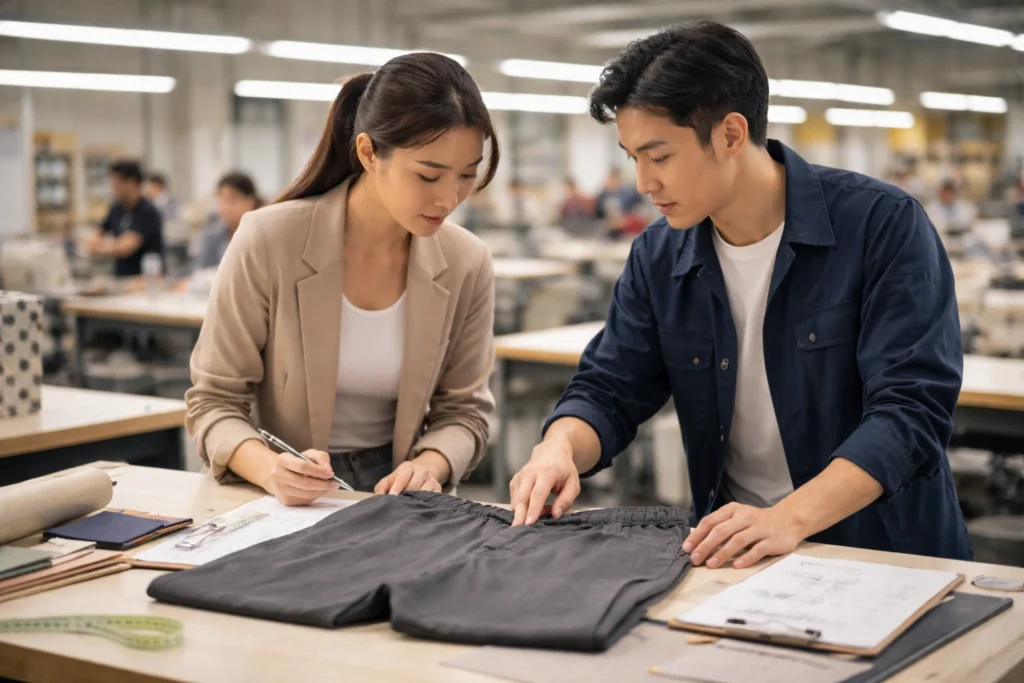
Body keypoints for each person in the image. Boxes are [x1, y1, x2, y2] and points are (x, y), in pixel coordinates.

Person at [509, 22, 971, 563]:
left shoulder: (882, 226)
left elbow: (910, 412)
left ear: (730, 134)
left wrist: (788, 519)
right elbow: (612, 386)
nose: (642, 183)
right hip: (737, 552)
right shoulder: (659, 255)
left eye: (659, 157)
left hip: (882, 552)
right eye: (632, 157)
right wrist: (558, 447)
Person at [186, 52, 500, 505]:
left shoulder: (467, 261)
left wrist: (429, 465)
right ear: (369, 153)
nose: (449, 198)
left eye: (467, 176)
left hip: (397, 491)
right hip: (276, 488)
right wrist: (272, 469)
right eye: (428, 175)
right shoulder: (270, 239)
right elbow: (213, 401)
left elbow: (465, 412)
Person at [87, 160, 165, 277]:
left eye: (117, 183)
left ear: (132, 182)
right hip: (121, 278)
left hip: (144, 280)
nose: (113, 188)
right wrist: (109, 245)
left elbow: (126, 248)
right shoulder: (116, 208)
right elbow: (94, 238)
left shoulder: (148, 212)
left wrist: (104, 246)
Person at [194, 172, 262, 270]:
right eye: (221, 199)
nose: (225, 207)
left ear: (250, 201)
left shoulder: (261, 234)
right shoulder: (212, 235)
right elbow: (201, 269)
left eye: (232, 199)